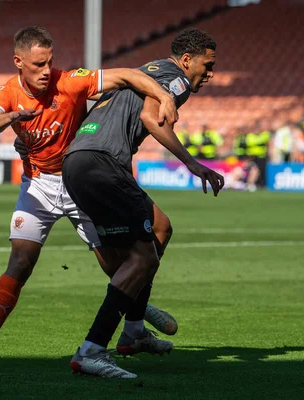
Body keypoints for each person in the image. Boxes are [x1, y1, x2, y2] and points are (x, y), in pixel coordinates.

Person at [0, 26, 180, 375]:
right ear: (18, 62)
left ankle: (137, 320)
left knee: (117, 266)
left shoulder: (69, 81)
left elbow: (127, 75)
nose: (46, 70)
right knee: (20, 262)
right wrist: (12, 118)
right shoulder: (7, 93)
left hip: (79, 184)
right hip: (38, 186)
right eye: (37, 64)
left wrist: (164, 96)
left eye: (49, 61)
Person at [63, 27, 224, 379]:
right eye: (207, 65)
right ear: (186, 60)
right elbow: (152, 118)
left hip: (79, 162)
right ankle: (92, 350)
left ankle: (133, 331)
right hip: (102, 164)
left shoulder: (150, 70)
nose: (210, 74)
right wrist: (192, 162)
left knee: (160, 228)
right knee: (142, 257)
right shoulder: (175, 80)